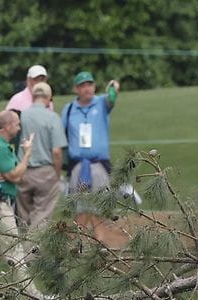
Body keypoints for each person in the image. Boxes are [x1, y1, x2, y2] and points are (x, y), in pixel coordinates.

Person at [0, 110, 42, 297]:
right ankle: (32, 296)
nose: (20, 127)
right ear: (7, 126)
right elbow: (15, 175)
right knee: (13, 248)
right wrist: (27, 154)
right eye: (17, 123)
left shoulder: (4, 146)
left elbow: (18, 177)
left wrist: (13, 174)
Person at [62, 71, 120, 235]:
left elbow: (112, 99)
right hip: (78, 166)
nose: (87, 88)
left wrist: (113, 88)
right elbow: (62, 137)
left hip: (98, 165)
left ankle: (100, 247)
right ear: (76, 89)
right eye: (82, 85)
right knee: (79, 208)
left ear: (94, 86)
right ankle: (78, 246)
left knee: (99, 209)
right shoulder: (69, 109)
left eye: (90, 84)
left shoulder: (102, 103)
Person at [16, 82, 66, 233]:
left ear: (33, 96)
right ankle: (31, 255)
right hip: (45, 172)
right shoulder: (52, 118)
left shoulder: (21, 115)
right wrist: (56, 174)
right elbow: (57, 151)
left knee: (23, 217)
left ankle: (20, 252)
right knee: (41, 217)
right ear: (49, 98)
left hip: (23, 171)